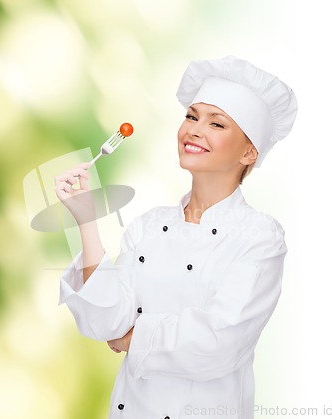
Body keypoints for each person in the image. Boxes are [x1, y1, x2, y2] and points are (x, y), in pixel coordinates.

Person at [54, 55, 298, 419]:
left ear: (250, 151)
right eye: (191, 116)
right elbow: (104, 320)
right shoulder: (149, 227)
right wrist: (86, 221)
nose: (194, 130)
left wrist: (132, 338)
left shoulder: (260, 237)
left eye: (216, 123)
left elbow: (219, 341)